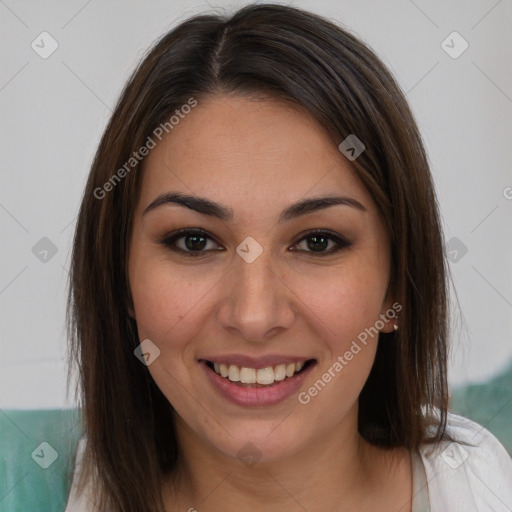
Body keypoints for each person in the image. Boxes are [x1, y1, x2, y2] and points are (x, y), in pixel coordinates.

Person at [65, 4, 512, 511]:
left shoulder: (483, 491)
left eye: (317, 242)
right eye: (194, 241)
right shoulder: (29, 486)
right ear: (121, 279)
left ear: (397, 282)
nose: (254, 317)